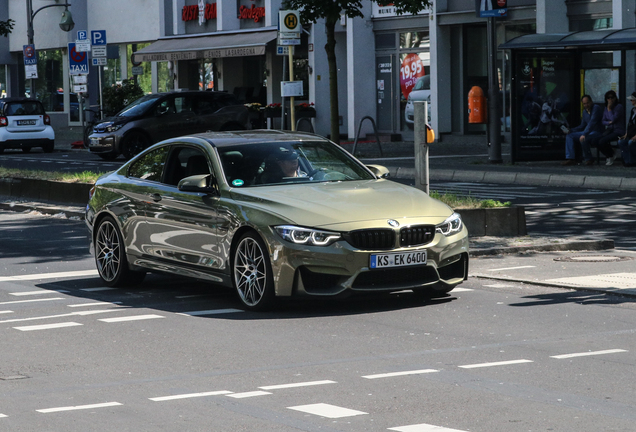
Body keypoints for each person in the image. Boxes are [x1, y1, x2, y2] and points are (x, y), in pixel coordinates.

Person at [562, 95, 603, 166]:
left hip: (597, 131)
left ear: (591, 102)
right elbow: (582, 125)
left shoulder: (596, 108)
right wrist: (571, 130)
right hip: (588, 131)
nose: (586, 105)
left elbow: (592, 123)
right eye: (584, 104)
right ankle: (571, 158)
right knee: (570, 135)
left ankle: (589, 158)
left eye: (587, 103)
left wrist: (584, 134)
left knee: (584, 138)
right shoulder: (584, 112)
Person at [588, 90, 625, 166]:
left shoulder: (619, 107)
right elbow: (603, 120)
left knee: (602, 141)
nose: (610, 100)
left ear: (615, 98)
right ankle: (610, 152)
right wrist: (608, 122)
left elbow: (613, 118)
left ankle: (610, 156)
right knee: (594, 141)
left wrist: (609, 109)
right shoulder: (605, 108)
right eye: (608, 98)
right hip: (609, 129)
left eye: (612, 97)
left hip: (618, 130)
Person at [618, 91, 636, 167]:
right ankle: (627, 160)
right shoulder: (633, 110)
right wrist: (626, 134)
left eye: (632, 100)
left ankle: (633, 160)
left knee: (630, 143)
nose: (631, 101)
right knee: (621, 142)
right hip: (631, 133)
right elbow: (630, 123)